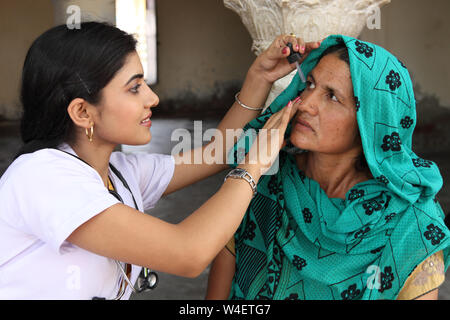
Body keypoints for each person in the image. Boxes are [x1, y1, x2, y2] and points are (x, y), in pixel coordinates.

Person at [0, 21, 321, 299]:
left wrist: (259, 79)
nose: (152, 99)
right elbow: (189, 253)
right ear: (82, 112)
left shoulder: (120, 174)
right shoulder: (43, 178)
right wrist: (254, 166)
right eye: (134, 88)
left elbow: (219, 153)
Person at [206, 35, 450, 300]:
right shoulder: (256, 181)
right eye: (309, 84)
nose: (307, 104)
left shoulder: (413, 226)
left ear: (370, 122)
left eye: (332, 96)